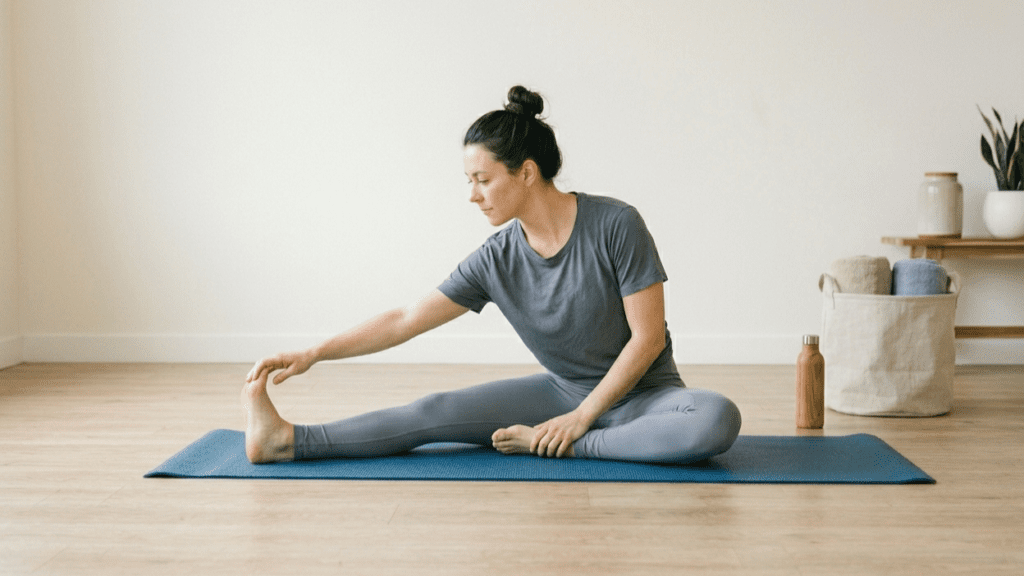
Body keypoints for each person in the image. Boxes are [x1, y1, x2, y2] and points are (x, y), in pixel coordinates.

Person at [242, 86, 741, 465]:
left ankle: (570, 446)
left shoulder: (615, 224)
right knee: (434, 410)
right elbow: (405, 319)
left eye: (483, 180)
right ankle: (287, 441)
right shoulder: (497, 257)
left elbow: (648, 338)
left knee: (716, 419)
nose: (473, 195)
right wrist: (315, 353)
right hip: (559, 392)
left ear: (526, 172)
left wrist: (577, 424)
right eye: (469, 182)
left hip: (647, 400)